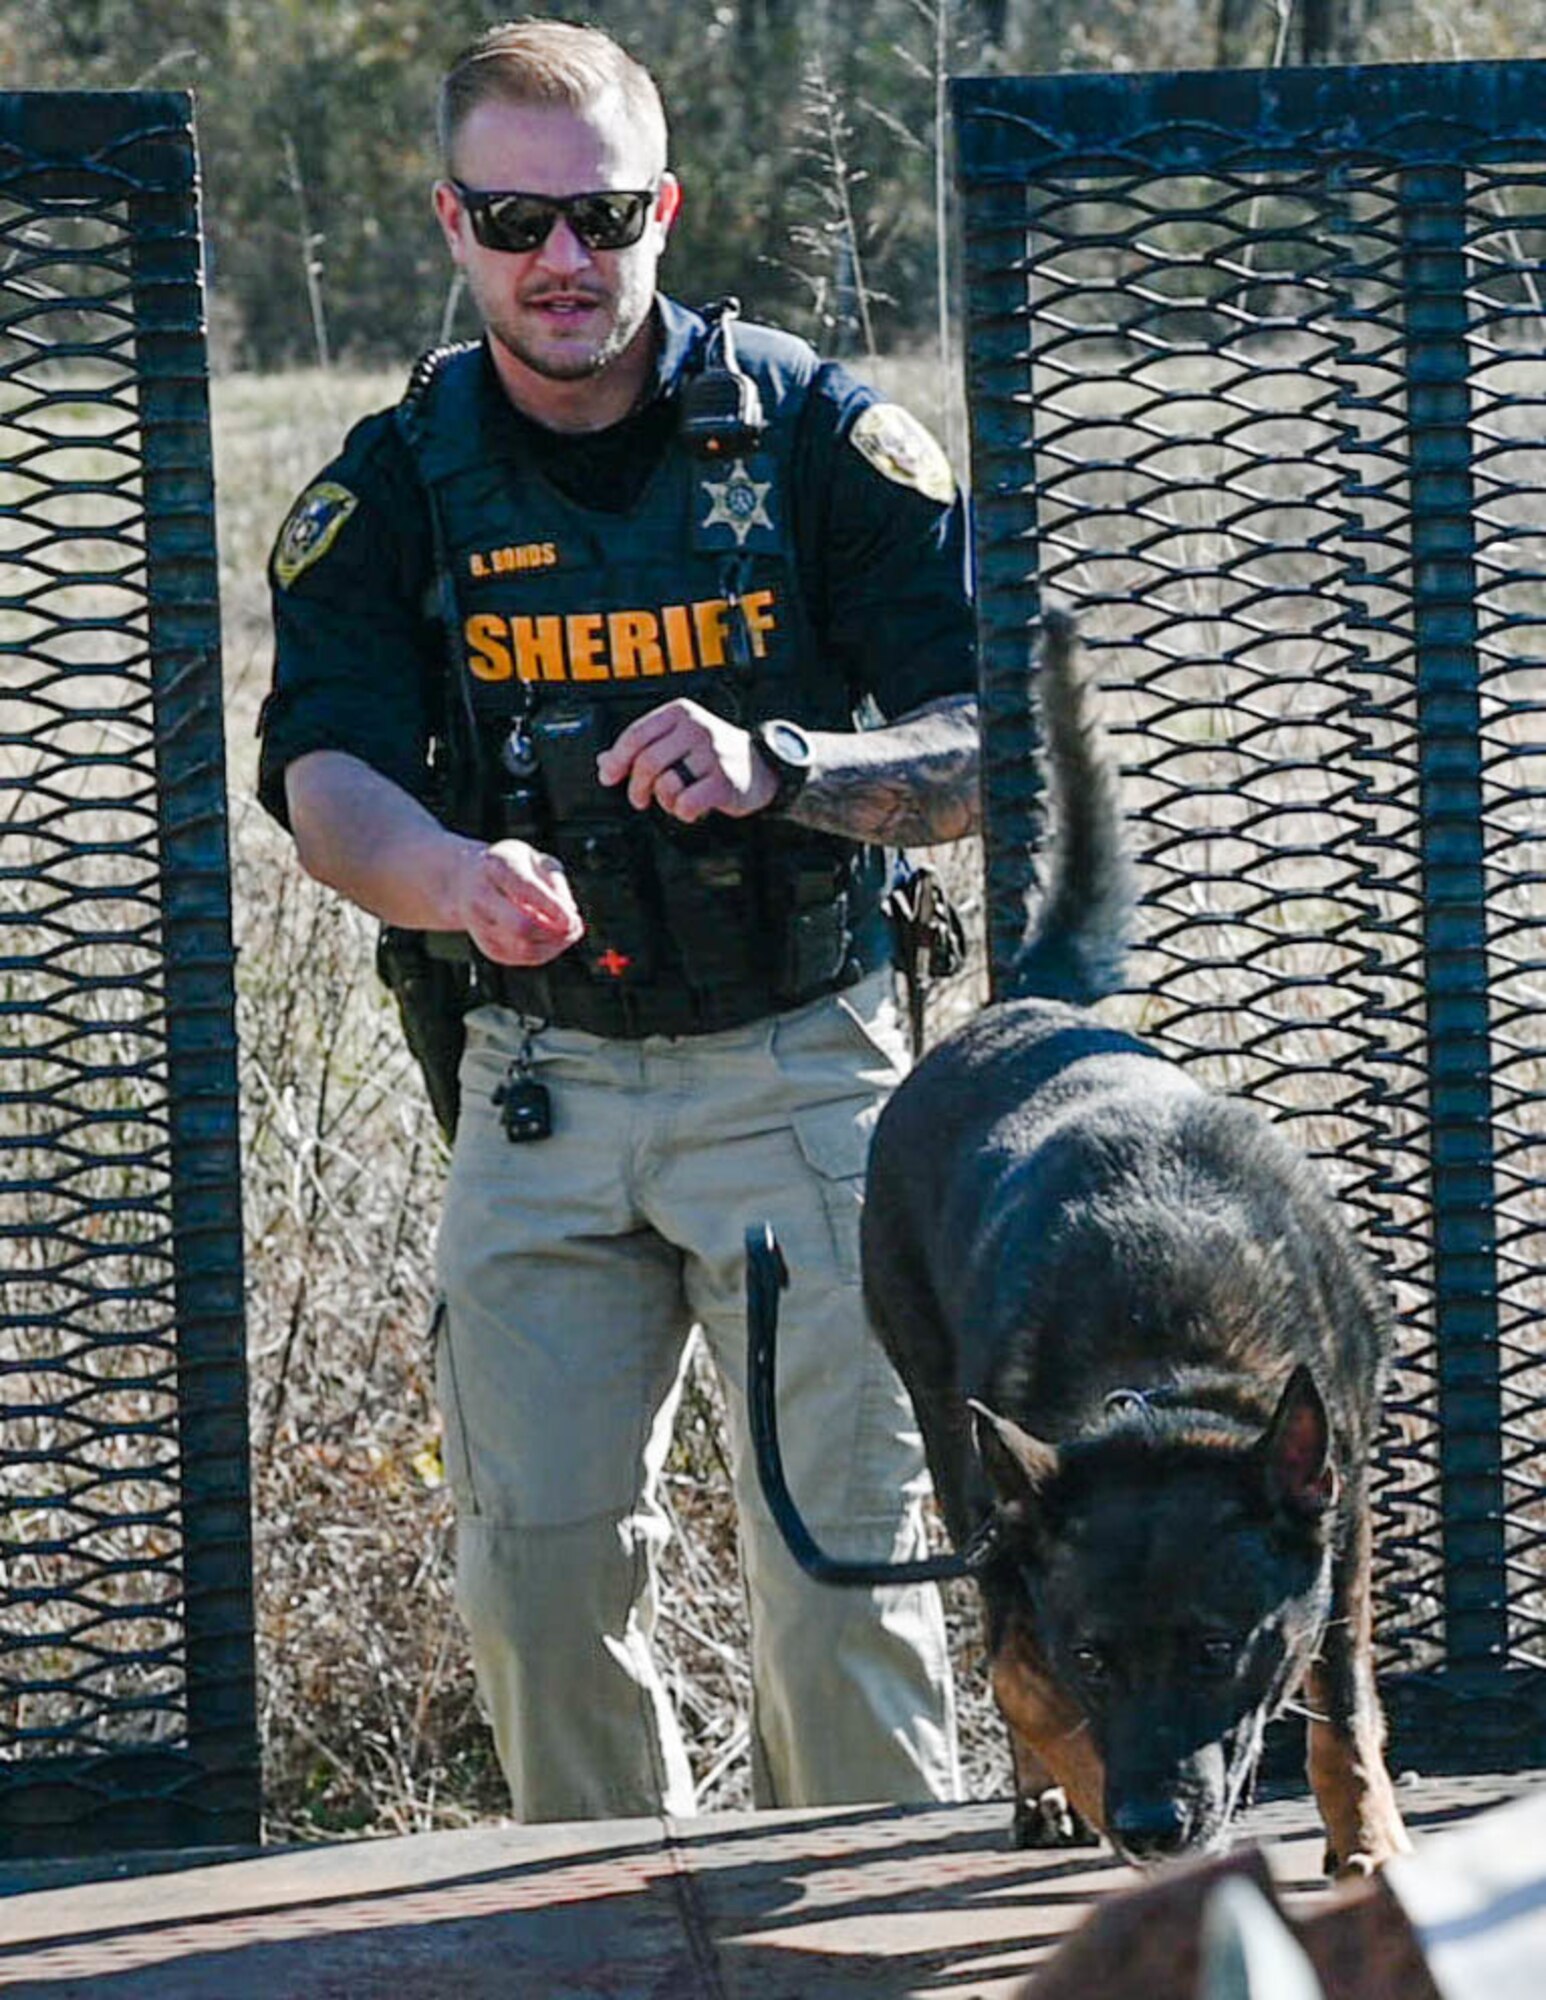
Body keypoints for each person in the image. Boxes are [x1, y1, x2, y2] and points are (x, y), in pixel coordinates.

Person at [257, 15, 981, 1825]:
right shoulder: (395, 476)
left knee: (847, 1573)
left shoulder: (823, 438)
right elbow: (319, 770)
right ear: (449, 224)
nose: (559, 261)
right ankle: (592, 1932)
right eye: (513, 222)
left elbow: (993, 742)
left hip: (807, 1073)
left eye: (595, 217)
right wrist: (447, 881)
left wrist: (788, 762)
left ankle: (861, 1941)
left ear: (663, 207)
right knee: (538, 1579)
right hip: (535, 1083)